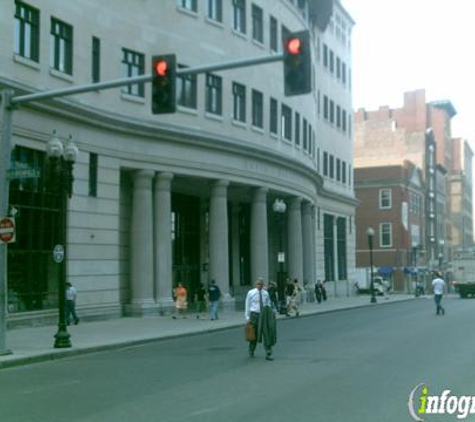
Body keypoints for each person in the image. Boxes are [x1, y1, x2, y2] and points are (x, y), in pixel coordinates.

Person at [245, 278, 276, 360]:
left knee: (266, 333)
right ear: (255, 285)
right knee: (254, 333)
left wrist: (269, 311)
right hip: (254, 314)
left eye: (261, 284)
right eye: (258, 284)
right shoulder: (251, 293)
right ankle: (251, 350)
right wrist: (247, 317)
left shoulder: (265, 293)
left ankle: (268, 351)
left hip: (263, 315)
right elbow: (247, 305)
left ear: (263, 285)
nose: (259, 286)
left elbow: (268, 303)